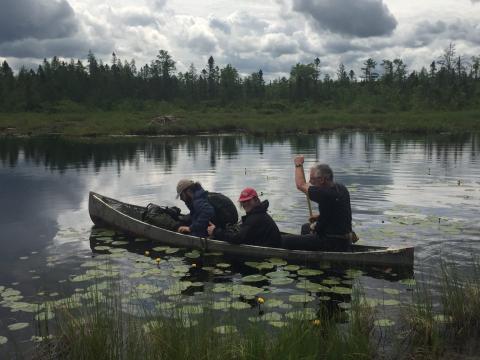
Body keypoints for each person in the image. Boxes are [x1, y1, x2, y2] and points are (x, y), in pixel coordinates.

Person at [281, 156, 354, 251]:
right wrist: (319, 217)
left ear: (322, 180)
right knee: (305, 228)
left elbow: (301, 185)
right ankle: (308, 253)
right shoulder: (341, 188)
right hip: (343, 237)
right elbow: (337, 212)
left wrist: (298, 164)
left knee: (286, 240)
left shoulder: (323, 193)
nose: (310, 182)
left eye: (312, 179)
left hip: (332, 241)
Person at [207, 187, 281, 247]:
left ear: (256, 200)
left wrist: (215, 231)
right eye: (243, 201)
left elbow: (237, 239)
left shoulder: (254, 218)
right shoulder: (259, 213)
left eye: (248, 201)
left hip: (269, 249)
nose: (245, 204)